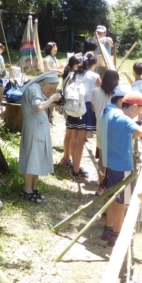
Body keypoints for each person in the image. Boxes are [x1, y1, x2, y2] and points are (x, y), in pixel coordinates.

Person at [101, 90, 142, 247]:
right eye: (141, 109)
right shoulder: (125, 120)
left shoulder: (113, 114)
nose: (141, 113)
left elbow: (132, 135)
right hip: (123, 166)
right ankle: (116, 234)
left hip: (111, 164)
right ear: (135, 107)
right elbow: (141, 132)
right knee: (121, 202)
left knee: (112, 197)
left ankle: (109, 229)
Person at [18, 73, 62, 203]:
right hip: (34, 129)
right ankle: (27, 190)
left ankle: (33, 187)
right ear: (45, 82)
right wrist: (50, 99)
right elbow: (38, 107)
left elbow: (42, 104)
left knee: (37, 158)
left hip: (39, 129)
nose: (51, 90)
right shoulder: (33, 89)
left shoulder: (37, 89)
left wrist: (51, 103)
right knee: (32, 156)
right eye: (51, 87)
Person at [62, 52, 101, 180]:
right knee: (80, 142)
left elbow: (68, 88)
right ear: (93, 64)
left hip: (74, 107)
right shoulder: (95, 76)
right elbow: (100, 93)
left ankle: (74, 165)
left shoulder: (75, 74)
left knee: (74, 139)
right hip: (86, 109)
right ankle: (76, 169)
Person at [90, 70, 120, 193]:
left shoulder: (95, 91)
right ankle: (110, 183)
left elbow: (93, 108)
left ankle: (101, 183)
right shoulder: (117, 94)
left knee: (102, 157)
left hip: (100, 125)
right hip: (115, 127)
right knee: (112, 155)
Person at [59, 55, 83, 168]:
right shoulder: (72, 76)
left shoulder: (67, 75)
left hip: (67, 107)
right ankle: (69, 158)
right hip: (71, 107)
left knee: (68, 133)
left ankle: (66, 157)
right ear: (75, 65)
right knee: (71, 135)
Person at [43, 42, 62, 125]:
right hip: (48, 82)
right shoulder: (47, 59)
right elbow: (47, 70)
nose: (56, 49)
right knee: (48, 100)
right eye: (54, 47)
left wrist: (61, 68)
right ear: (49, 48)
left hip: (55, 82)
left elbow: (55, 69)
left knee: (53, 100)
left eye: (56, 47)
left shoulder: (54, 58)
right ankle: (45, 119)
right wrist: (58, 70)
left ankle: (51, 119)